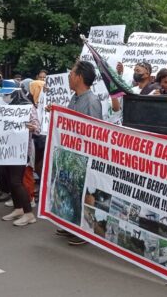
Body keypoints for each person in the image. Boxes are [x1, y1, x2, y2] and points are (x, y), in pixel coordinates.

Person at [56, 61, 103, 245]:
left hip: (85, 158)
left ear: (80, 77)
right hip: (72, 156)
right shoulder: (74, 98)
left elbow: (96, 132)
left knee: (86, 194)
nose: (69, 76)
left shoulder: (91, 101)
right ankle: (73, 226)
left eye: (72, 73)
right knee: (73, 192)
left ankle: (86, 231)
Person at [0, 82, 39, 226]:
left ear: (15, 94)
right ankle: (18, 208)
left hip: (21, 150)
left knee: (16, 181)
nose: (4, 97)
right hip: (7, 148)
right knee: (10, 180)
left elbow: (37, 128)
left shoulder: (28, 107)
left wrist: (32, 127)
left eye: (6, 94)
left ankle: (28, 214)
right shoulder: (8, 108)